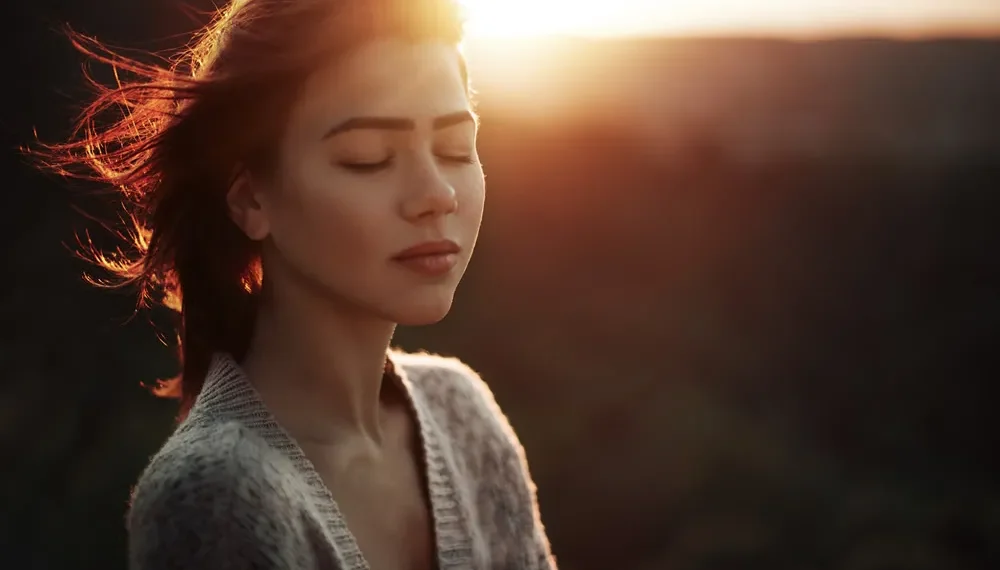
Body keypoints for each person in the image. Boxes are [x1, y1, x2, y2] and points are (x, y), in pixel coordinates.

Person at [33, 0, 557, 568]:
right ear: (250, 198)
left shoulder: (461, 413)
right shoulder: (215, 496)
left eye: (455, 149)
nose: (438, 195)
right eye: (368, 158)